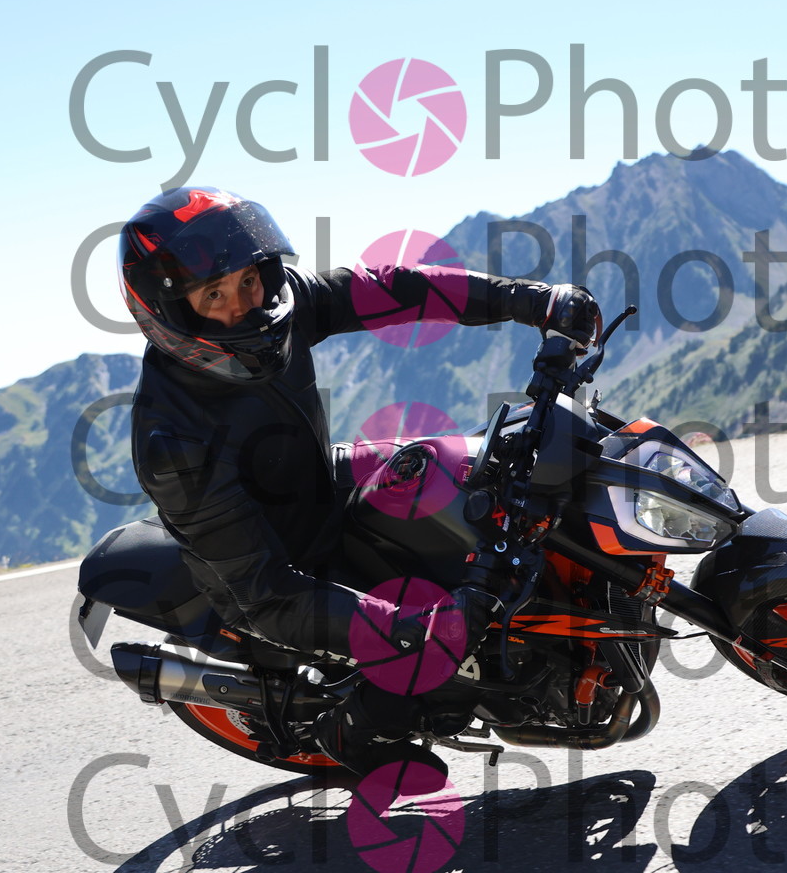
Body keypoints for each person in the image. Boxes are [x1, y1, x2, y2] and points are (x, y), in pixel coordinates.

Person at [118, 185, 600, 779]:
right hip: (278, 570)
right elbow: (267, 594)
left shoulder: (279, 306)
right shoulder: (171, 441)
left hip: (318, 478)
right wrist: (416, 628)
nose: (244, 304)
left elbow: (391, 288)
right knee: (432, 640)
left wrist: (530, 300)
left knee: (481, 469)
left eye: (249, 279)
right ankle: (353, 733)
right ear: (171, 313)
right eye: (214, 294)